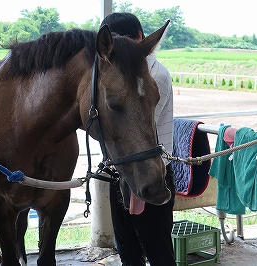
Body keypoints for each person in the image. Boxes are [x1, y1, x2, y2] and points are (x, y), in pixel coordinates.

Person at [100, 13, 176, 266]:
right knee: (128, 251)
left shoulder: (156, 75)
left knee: (158, 252)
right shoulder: (117, 73)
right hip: (122, 169)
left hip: (151, 171)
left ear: (141, 39)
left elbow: (139, 129)